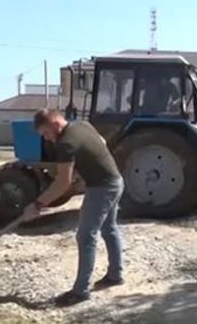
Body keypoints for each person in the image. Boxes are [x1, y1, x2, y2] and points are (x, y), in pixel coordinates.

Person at [22, 109, 125, 306]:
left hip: (102, 188)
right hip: (116, 181)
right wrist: (84, 166)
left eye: (45, 133)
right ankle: (115, 275)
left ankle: (81, 291)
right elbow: (101, 142)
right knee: (109, 228)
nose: (48, 139)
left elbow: (62, 183)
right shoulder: (82, 125)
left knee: (86, 235)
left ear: (54, 123)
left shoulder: (65, 143)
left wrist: (37, 205)